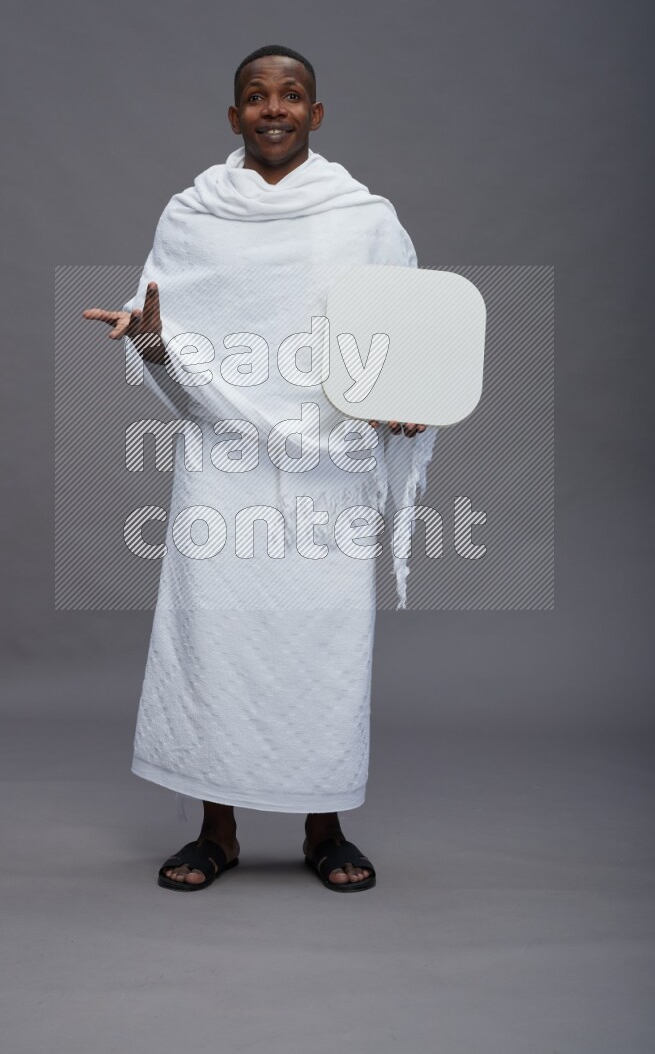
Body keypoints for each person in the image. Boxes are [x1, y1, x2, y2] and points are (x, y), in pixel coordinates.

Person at [83, 45, 436, 893]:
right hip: (225, 456)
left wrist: (402, 397)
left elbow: (407, 332)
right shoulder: (191, 216)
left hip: (332, 462)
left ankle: (325, 826)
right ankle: (217, 831)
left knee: (325, 638)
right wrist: (153, 342)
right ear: (233, 115)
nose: (273, 108)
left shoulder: (366, 218)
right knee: (218, 633)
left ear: (316, 115)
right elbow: (172, 346)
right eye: (254, 95)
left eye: (292, 95)